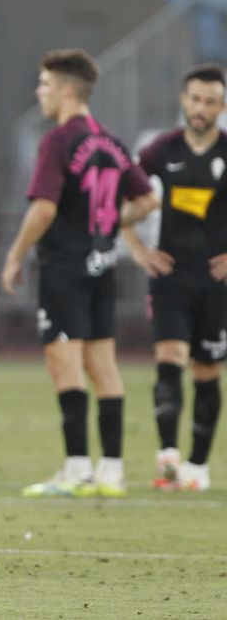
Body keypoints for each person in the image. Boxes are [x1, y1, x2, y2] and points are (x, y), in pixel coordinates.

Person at [2, 49, 158, 499]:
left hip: (65, 266)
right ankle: (112, 471)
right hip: (101, 265)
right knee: (103, 365)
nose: (40, 92)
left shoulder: (57, 141)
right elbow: (148, 200)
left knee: (64, 363)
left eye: (45, 84)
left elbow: (44, 208)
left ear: (67, 90)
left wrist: (15, 254)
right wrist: (110, 225)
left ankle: (76, 469)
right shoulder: (110, 141)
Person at [124, 64, 227, 492]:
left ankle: (198, 468)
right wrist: (137, 250)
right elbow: (118, 202)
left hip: (216, 283)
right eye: (194, 99)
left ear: (221, 107)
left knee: (206, 372)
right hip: (170, 276)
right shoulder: (159, 151)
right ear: (183, 101)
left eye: (210, 101)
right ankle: (167, 458)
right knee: (169, 359)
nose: (200, 108)